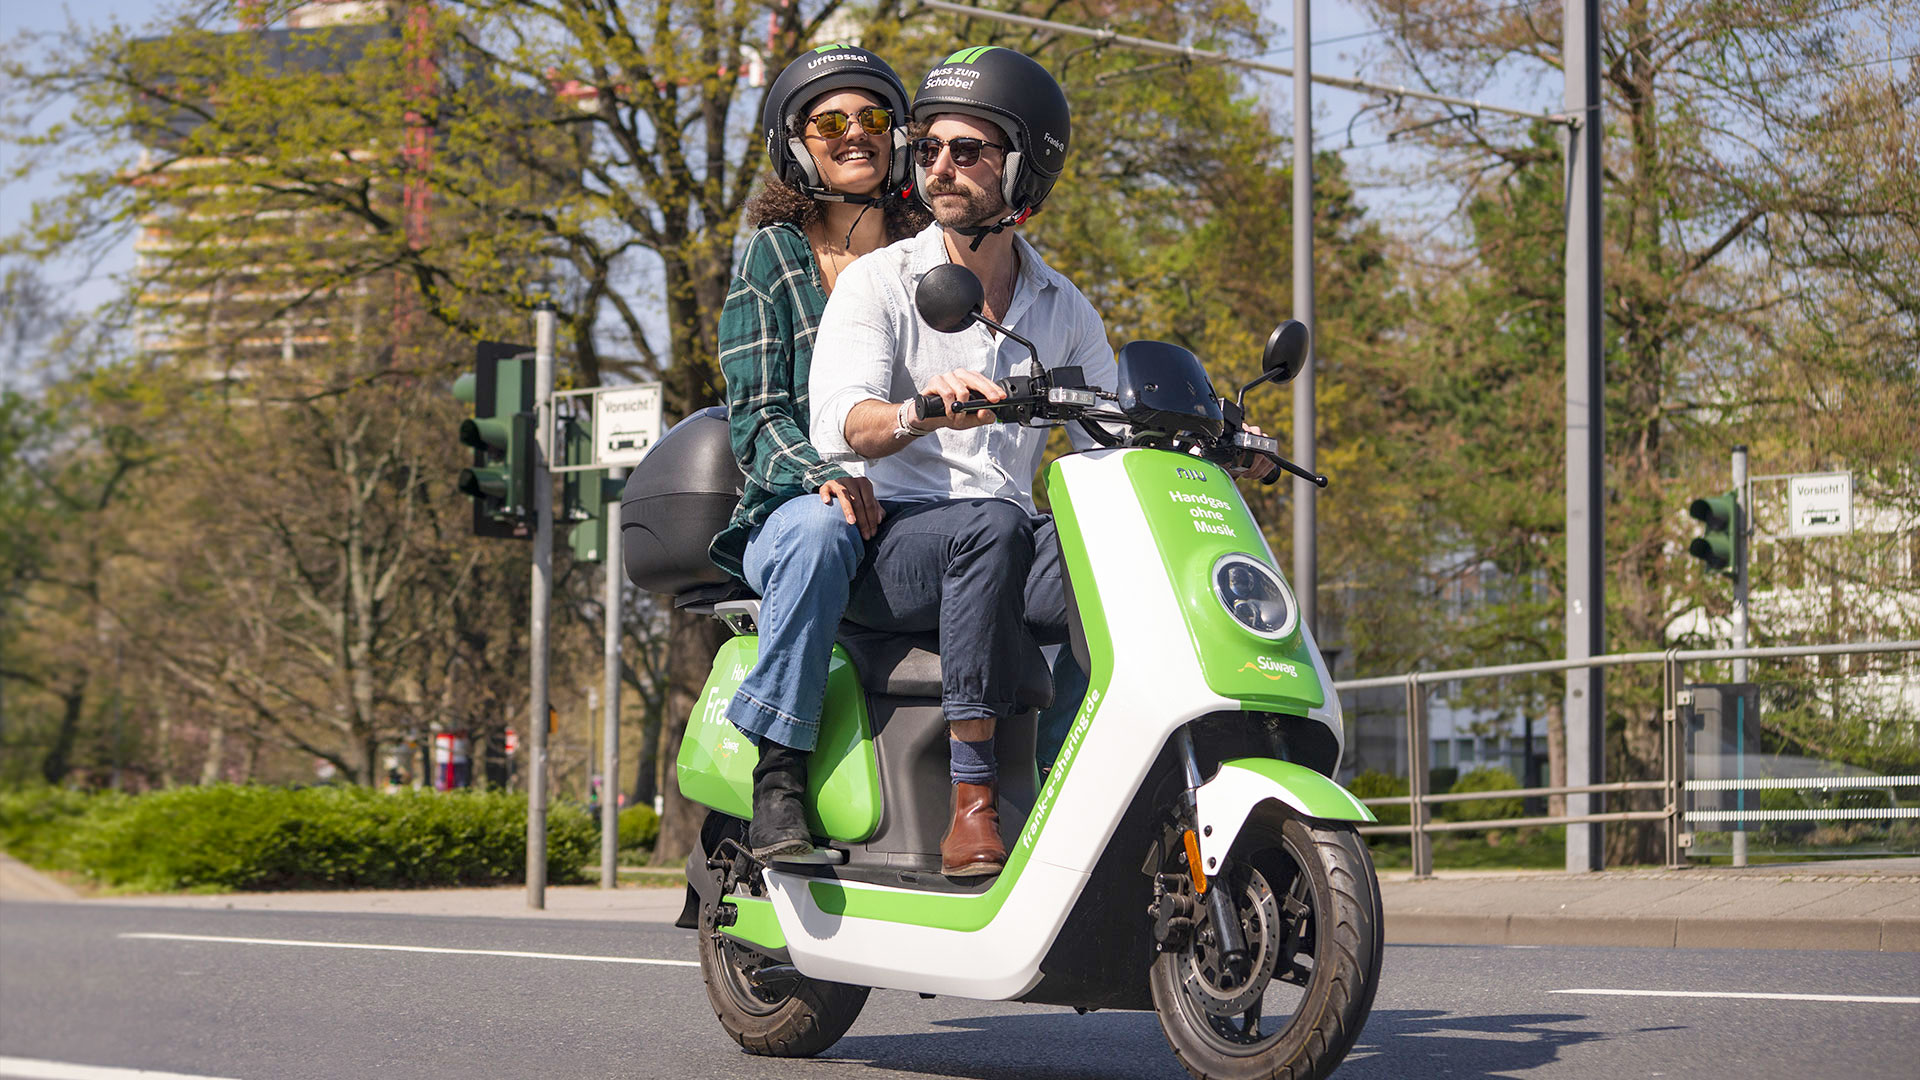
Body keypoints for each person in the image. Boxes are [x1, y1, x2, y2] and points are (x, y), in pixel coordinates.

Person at [812, 46, 1279, 878]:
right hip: (889, 547)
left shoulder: (1062, 305)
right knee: (990, 525)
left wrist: (1213, 438)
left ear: (1024, 169)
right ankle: (973, 799)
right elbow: (842, 422)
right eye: (928, 149)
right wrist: (919, 410)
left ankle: (1093, 785)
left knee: (1125, 560)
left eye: (968, 151)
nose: (940, 167)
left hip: (1000, 546)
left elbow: (1116, 430)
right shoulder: (881, 283)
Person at [711, 45, 931, 861]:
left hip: (916, 503)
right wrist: (825, 476)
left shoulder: (929, 255)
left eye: (873, 119)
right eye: (830, 122)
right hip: (798, 509)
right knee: (818, 530)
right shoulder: (775, 256)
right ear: (798, 142)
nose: (855, 135)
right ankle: (779, 777)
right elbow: (756, 414)